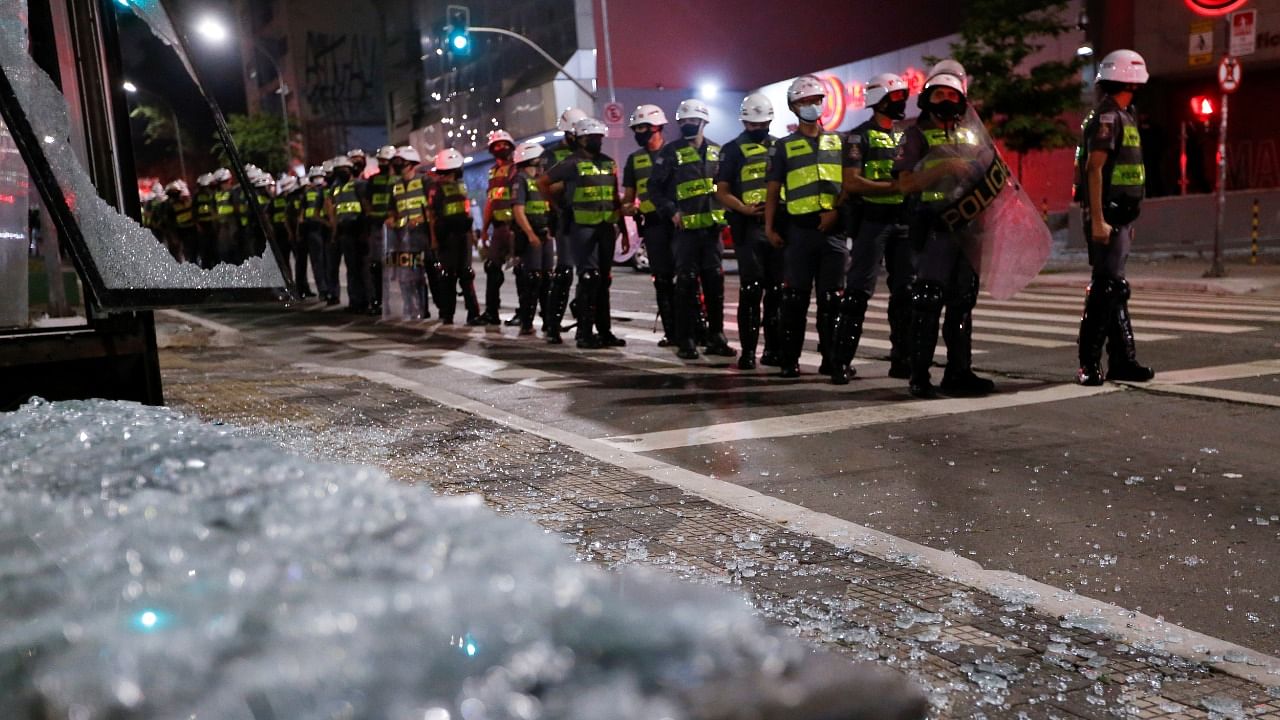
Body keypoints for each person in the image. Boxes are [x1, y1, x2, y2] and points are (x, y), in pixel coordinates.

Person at [892, 60, 995, 398]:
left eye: (952, 93)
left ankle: (959, 372)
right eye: (939, 93)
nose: (946, 99)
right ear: (927, 98)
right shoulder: (915, 134)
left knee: (963, 301)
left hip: (969, 229)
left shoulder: (972, 132)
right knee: (928, 301)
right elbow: (905, 184)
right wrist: (943, 168)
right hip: (933, 227)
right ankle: (919, 376)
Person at [764, 75, 854, 379]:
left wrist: (836, 212)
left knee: (832, 300)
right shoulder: (783, 147)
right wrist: (769, 228)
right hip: (799, 233)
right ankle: (790, 362)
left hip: (833, 231)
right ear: (793, 106)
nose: (811, 106)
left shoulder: (840, 141)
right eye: (804, 102)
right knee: (794, 299)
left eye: (815, 100)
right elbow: (773, 191)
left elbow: (849, 184)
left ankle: (834, 361)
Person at [1075, 50, 1156, 386]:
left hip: (1121, 218)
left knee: (1114, 289)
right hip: (1107, 216)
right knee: (1105, 288)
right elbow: (1094, 169)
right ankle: (1089, 364)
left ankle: (1123, 361)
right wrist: (1098, 220)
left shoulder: (1125, 114)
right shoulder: (1108, 117)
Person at [834, 73, 915, 382]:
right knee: (857, 292)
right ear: (879, 100)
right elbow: (851, 181)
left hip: (903, 222)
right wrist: (894, 186)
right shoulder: (858, 137)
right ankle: (841, 362)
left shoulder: (906, 136)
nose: (902, 103)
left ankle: (903, 360)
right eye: (896, 98)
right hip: (872, 222)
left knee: (905, 292)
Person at [649, 98, 734, 360]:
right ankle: (685, 339)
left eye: (691, 121)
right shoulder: (670, 152)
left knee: (714, 284)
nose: (687, 125)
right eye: (683, 121)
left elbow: (726, 187)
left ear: (704, 122)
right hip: (684, 233)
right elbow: (654, 189)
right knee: (685, 285)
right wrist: (671, 212)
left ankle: (716, 336)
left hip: (711, 232)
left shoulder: (717, 151)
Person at [539, 117, 626, 349]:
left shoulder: (608, 163)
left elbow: (615, 197)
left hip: (606, 226)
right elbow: (543, 183)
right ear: (580, 139)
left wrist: (624, 231)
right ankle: (584, 333)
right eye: (592, 138)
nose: (597, 141)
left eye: (599, 137)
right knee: (589, 278)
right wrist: (557, 207)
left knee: (604, 279)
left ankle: (605, 331)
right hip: (582, 227)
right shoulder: (571, 162)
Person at [716, 93, 782, 370]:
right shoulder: (731, 150)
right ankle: (748, 352)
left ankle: (775, 351)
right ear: (744, 121)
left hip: (776, 227)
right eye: (753, 124)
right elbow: (721, 190)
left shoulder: (780, 146)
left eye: (762, 123)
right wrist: (742, 209)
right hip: (748, 228)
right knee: (752, 289)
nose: (757, 129)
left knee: (777, 291)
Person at [622, 104, 678, 346]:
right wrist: (628, 208)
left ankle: (694, 328)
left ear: (658, 127)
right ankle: (672, 332)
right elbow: (628, 198)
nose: (639, 132)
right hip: (653, 226)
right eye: (636, 128)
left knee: (686, 278)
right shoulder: (634, 160)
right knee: (663, 280)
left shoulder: (676, 152)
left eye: (643, 127)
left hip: (678, 224)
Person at [428, 148, 483, 325]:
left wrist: (473, 235)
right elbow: (432, 216)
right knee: (447, 276)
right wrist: (434, 240)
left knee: (466, 274)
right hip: (447, 237)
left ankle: (473, 313)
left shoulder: (461, 186)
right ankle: (447, 313)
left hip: (462, 235)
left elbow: (467, 212)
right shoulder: (436, 191)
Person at [510, 141, 554, 336]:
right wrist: (530, 234)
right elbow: (518, 211)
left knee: (547, 279)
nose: (541, 165)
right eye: (538, 161)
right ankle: (527, 322)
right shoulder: (520, 180)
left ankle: (548, 320)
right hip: (531, 236)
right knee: (533, 279)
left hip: (545, 234)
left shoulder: (540, 180)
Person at [480, 129, 518, 325]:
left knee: (522, 270)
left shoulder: (517, 169)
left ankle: (524, 313)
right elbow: (491, 202)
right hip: (499, 229)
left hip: (516, 227)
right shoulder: (493, 172)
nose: (500, 148)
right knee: (492, 268)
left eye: (503, 145)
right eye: (496, 145)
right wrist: (485, 229)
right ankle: (491, 312)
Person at [388, 145, 430, 320]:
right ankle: (409, 306)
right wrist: (390, 219)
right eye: (396, 162)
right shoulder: (395, 186)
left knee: (418, 273)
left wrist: (420, 220)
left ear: (412, 164)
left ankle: (422, 308)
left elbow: (431, 207)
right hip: (401, 236)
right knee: (404, 275)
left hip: (420, 235)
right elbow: (392, 210)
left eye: (401, 162)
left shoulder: (424, 181)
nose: (398, 166)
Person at [327, 155, 371, 313]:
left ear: (351, 170)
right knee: (352, 269)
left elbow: (366, 208)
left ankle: (368, 300)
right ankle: (355, 301)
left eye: (343, 170)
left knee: (364, 268)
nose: (341, 173)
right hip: (344, 232)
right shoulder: (336, 189)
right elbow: (333, 211)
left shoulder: (359, 185)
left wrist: (366, 231)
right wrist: (335, 232)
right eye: (338, 171)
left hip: (359, 229)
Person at [364, 145, 397, 314]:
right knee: (376, 265)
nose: (382, 163)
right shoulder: (373, 180)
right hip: (377, 226)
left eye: (385, 161)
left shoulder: (398, 179)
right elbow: (366, 200)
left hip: (396, 228)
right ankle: (377, 301)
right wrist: (370, 213)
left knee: (398, 265)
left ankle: (399, 302)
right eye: (380, 161)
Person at [300, 166, 333, 302]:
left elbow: (301, 216)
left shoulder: (309, 193)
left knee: (320, 261)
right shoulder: (326, 190)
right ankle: (325, 290)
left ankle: (325, 290)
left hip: (316, 229)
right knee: (322, 260)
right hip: (319, 228)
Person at [165, 180, 198, 264]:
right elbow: (170, 223)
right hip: (182, 232)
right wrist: (174, 236)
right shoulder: (169, 206)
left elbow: (193, 214)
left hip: (191, 230)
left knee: (193, 252)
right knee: (186, 253)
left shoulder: (185, 201)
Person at [211, 167, 239, 266]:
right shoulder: (216, 194)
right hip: (223, 225)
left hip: (232, 223)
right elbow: (213, 210)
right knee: (224, 251)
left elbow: (237, 208)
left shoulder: (233, 192)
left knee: (234, 249)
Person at [271, 175, 297, 279]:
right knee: (289, 260)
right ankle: (291, 282)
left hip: (283, 232)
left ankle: (291, 281)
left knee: (288, 260)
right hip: (288, 233)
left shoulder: (276, 199)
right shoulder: (293, 197)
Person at [193, 173, 217, 269]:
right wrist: (198, 226)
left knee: (215, 249)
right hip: (203, 226)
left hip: (213, 225)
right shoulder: (197, 196)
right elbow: (194, 212)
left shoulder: (213, 195)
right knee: (205, 251)